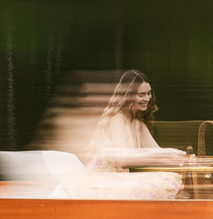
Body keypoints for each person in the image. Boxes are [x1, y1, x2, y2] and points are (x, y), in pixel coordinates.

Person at [80, 69, 186, 199]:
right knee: (162, 181)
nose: (147, 98)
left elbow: (157, 152)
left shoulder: (138, 123)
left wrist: (184, 159)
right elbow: (123, 160)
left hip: (120, 182)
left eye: (149, 93)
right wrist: (167, 154)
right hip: (100, 184)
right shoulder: (117, 118)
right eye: (141, 95)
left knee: (171, 177)